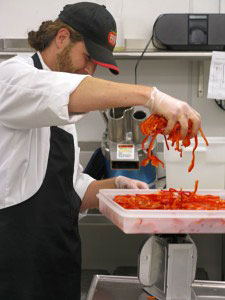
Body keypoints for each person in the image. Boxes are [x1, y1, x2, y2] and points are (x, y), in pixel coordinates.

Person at [0, 2, 201, 300]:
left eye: (97, 65)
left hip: (57, 266)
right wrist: (152, 97)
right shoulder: (12, 77)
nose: (90, 70)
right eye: (88, 57)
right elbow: (63, 92)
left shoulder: (63, 107)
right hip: (15, 271)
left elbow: (69, 191)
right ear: (62, 38)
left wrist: (114, 188)